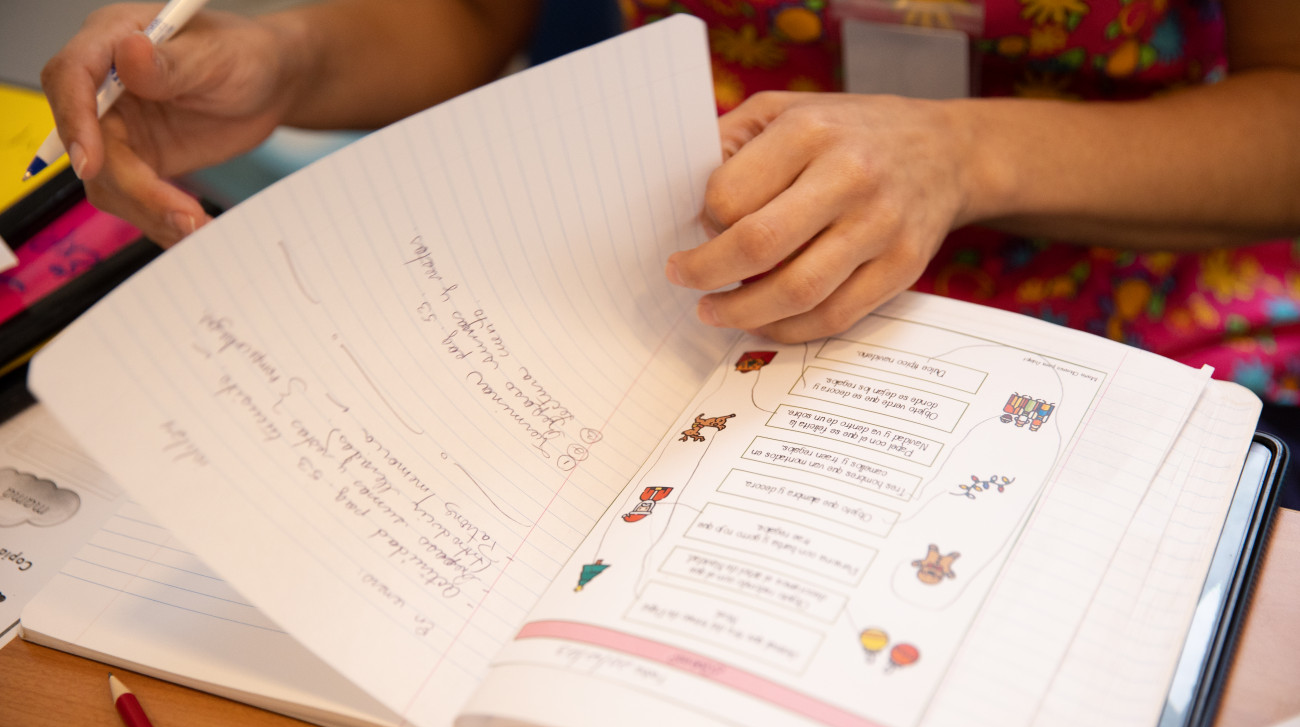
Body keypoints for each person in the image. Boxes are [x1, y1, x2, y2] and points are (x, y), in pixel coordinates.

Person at [39, 1, 1300, 447]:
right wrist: (288, 59)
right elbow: (480, 15)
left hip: (1125, 299)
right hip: (693, 286)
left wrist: (965, 156)